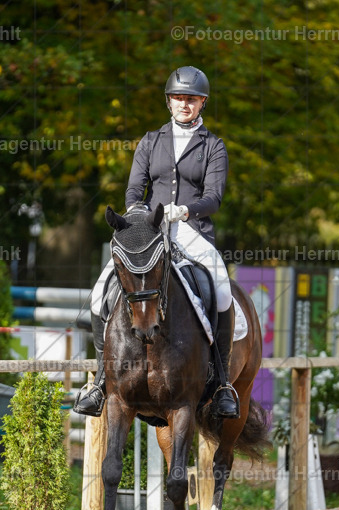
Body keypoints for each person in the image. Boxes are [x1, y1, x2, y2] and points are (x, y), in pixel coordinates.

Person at [73, 65, 239, 420]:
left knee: (222, 288)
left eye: (192, 99)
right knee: (102, 286)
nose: (185, 104)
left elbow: (214, 197)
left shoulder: (213, 146)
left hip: (190, 229)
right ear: (169, 101)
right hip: (147, 228)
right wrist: (137, 213)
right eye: (179, 98)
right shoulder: (150, 140)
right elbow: (135, 188)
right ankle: (101, 380)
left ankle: (223, 383)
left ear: (202, 103)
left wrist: (185, 210)